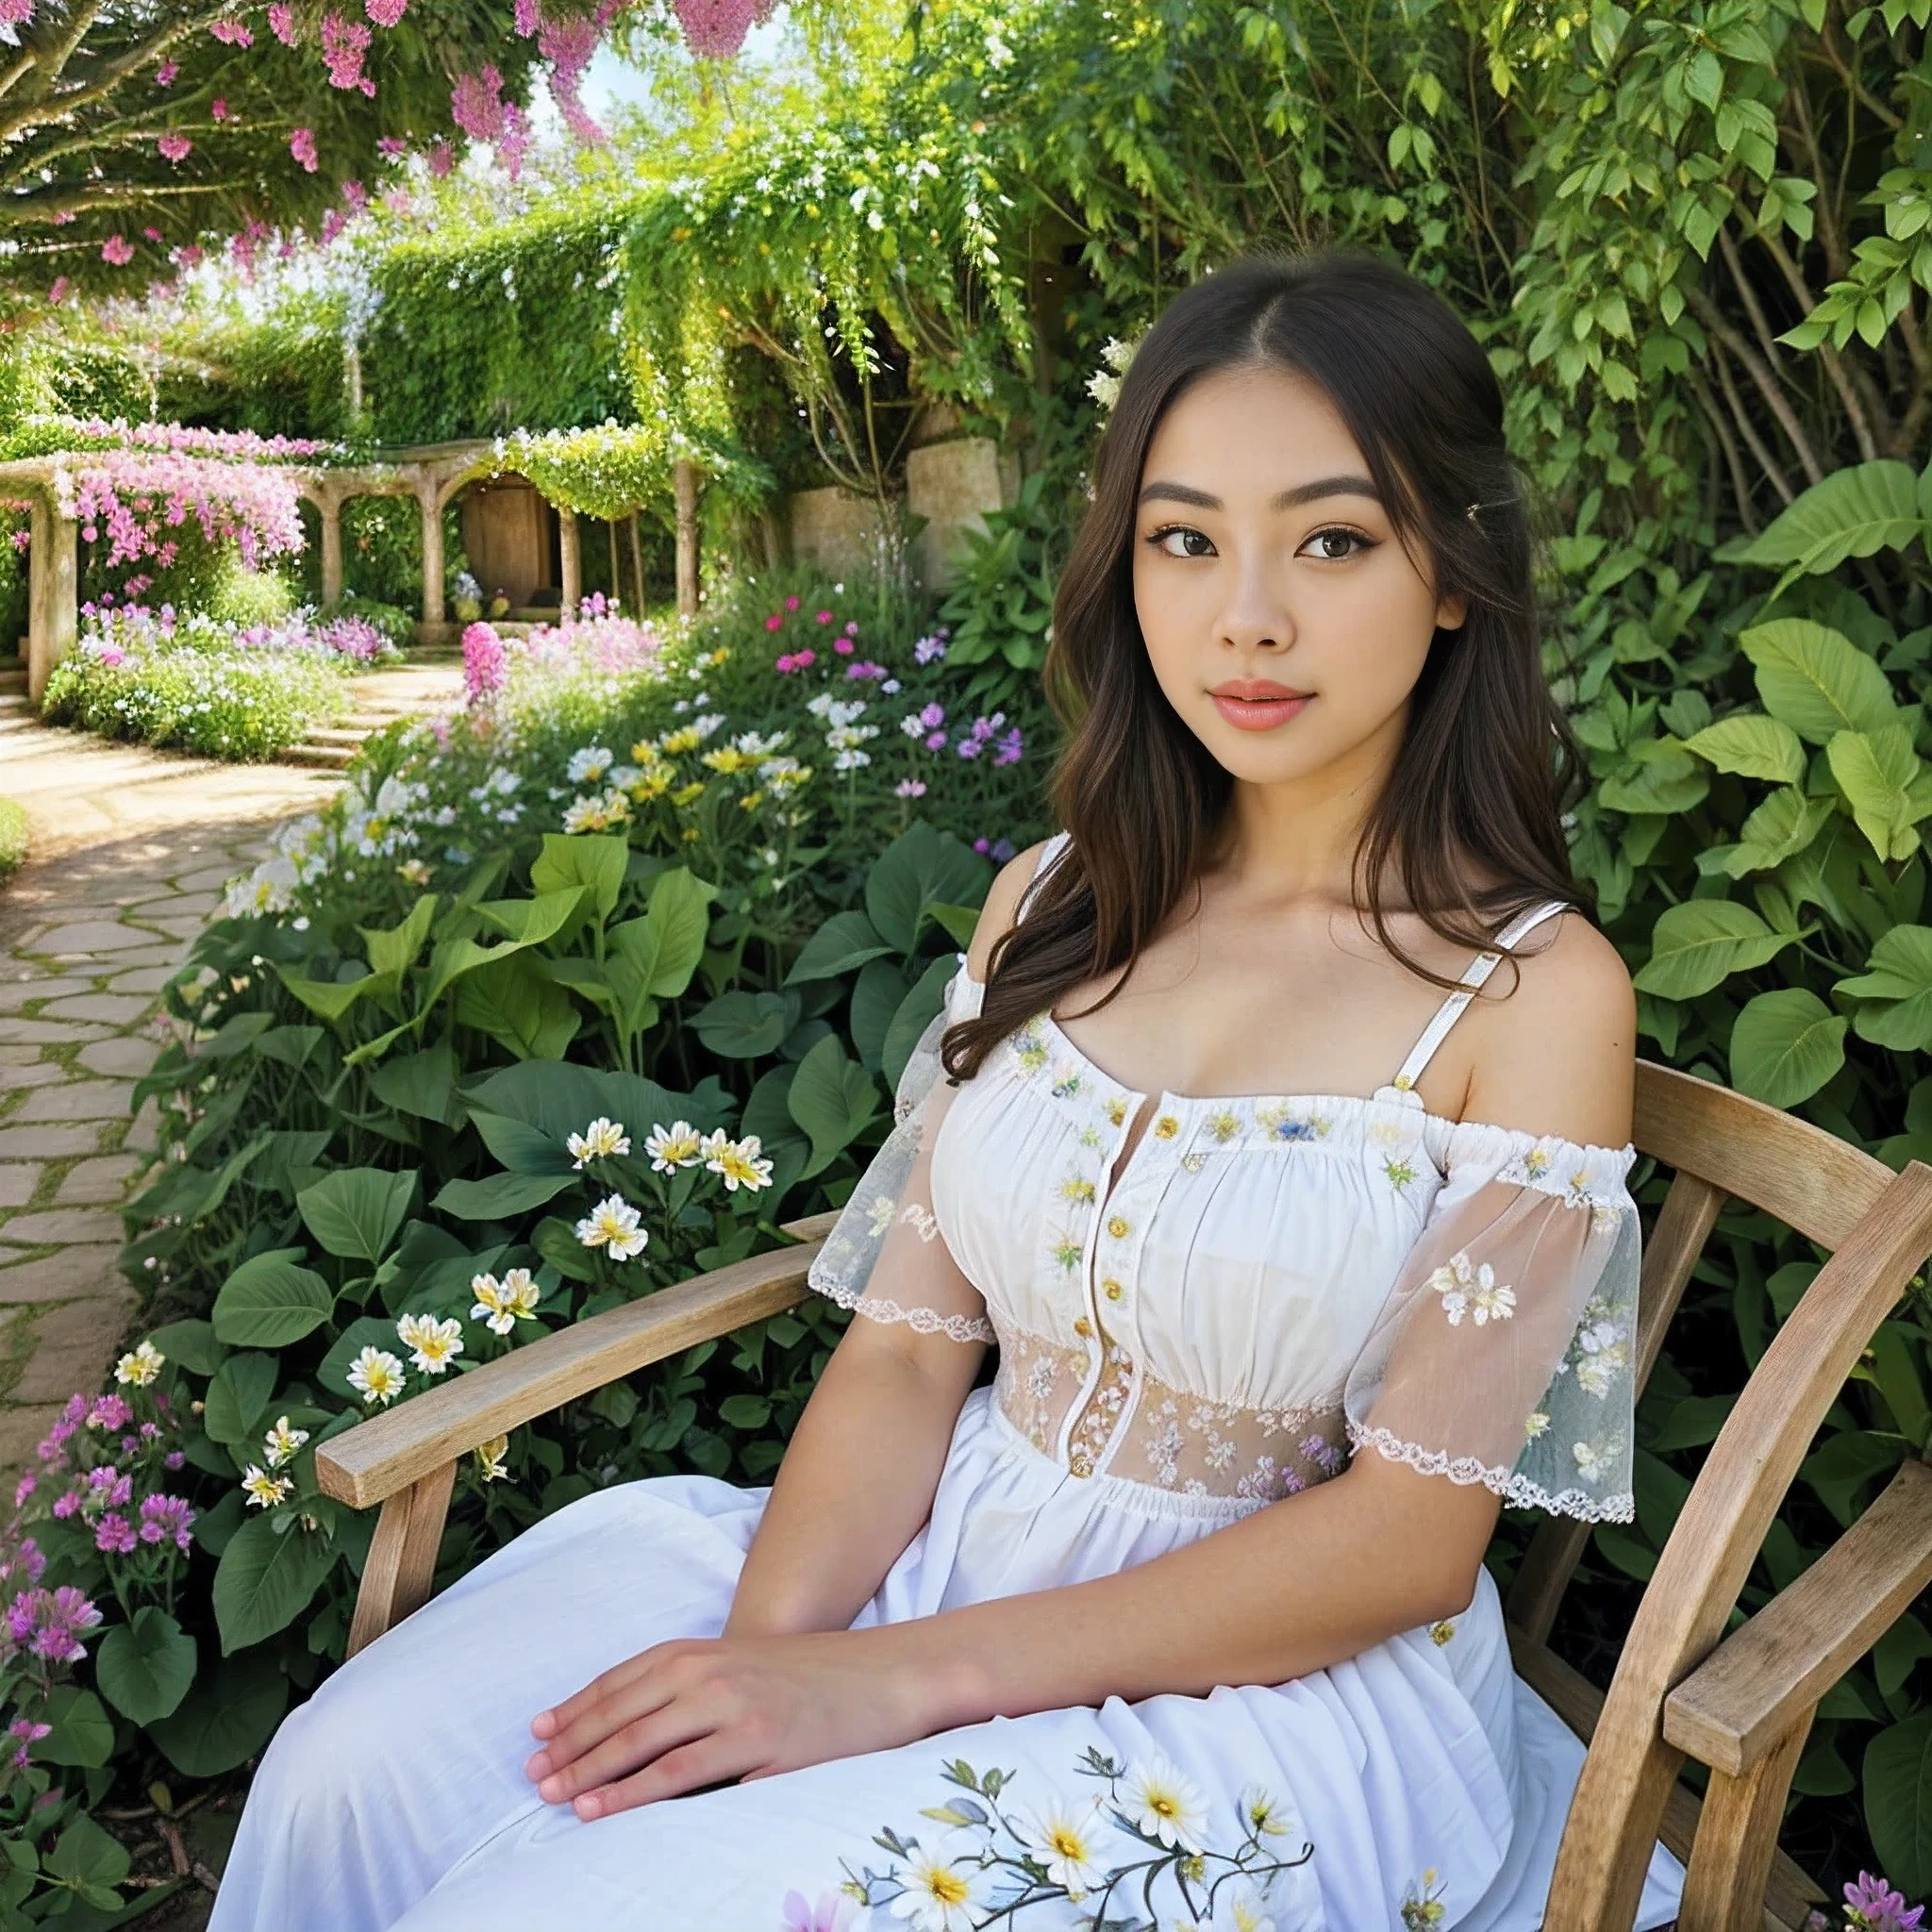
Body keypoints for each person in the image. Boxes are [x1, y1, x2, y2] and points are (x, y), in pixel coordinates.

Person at [209, 249, 1686, 1932]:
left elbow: (1409, 1541)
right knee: (352, 1773)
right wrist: (769, 1672)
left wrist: (892, 1687)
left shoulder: (1527, 993)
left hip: (1267, 1693)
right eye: (1184, 538)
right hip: (941, 1536)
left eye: (1332, 540)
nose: (1247, 615)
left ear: (1451, 575)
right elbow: (913, 1351)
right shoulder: (1061, 900)